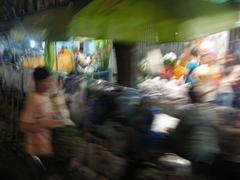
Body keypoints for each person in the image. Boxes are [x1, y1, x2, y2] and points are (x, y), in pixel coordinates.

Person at [21, 66, 62, 174]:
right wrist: (44, 124)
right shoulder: (33, 99)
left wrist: (55, 119)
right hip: (36, 152)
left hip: (46, 147)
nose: (49, 84)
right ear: (38, 82)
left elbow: (46, 117)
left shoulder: (45, 96)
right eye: (46, 81)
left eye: (50, 81)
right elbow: (24, 126)